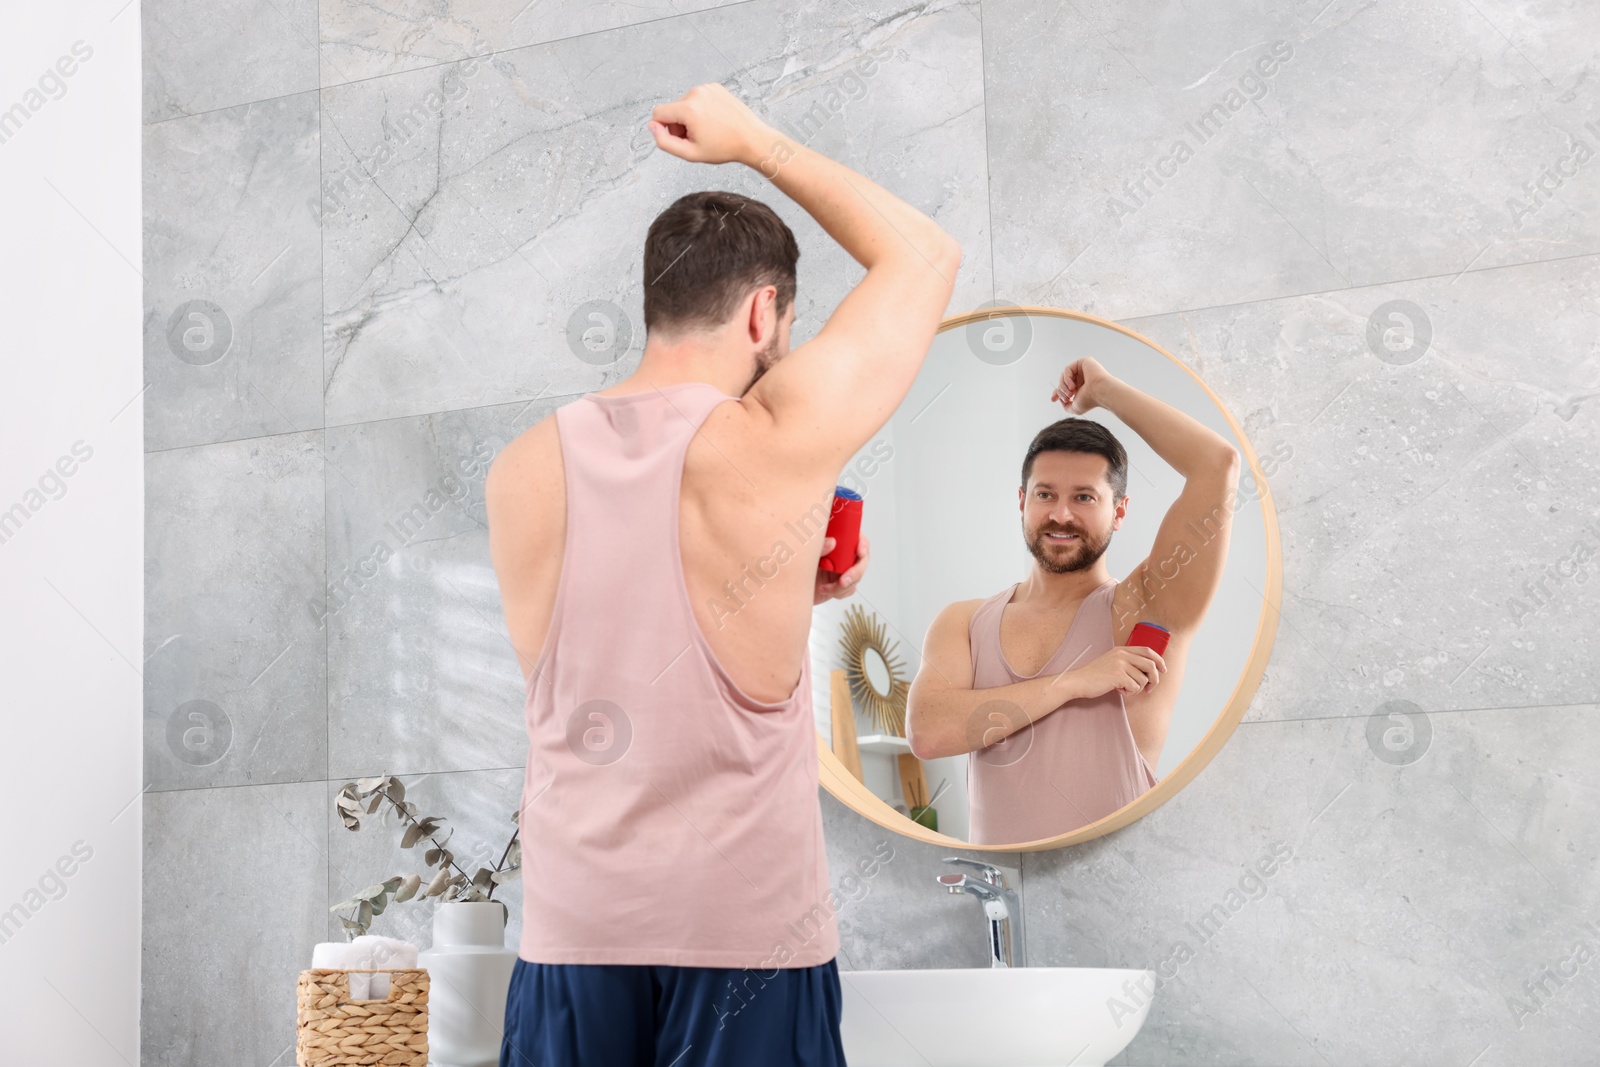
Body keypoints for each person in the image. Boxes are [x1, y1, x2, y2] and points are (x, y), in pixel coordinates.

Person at [485, 82, 961, 1067]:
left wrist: (783, 585)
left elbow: (623, 637)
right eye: (785, 328)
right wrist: (753, 142)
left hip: (572, 935)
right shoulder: (774, 435)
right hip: (748, 937)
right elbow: (924, 256)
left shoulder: (522, 465)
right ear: (762, 312)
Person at [905, 356, 1240, 845]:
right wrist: (1075, 682)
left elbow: (1218, 464)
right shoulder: (963, 622)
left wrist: (1104, 390)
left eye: (1084, 497)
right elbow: (929, 733)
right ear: (1022, 501)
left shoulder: (1146, 605)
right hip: (1002, 894)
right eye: (1046, 494)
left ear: (1119, 511)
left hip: (1117, 901)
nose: (1060, 514)